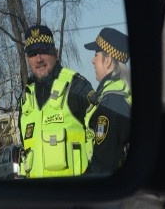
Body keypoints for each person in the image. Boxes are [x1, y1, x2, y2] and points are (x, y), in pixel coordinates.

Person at [18, 25, 94, 178]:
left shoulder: (76, 87)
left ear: (56, 53)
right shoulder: (26, 99)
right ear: (27, 59)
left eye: (44, 51)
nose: (39, 59)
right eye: (33, 53)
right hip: (38, 199)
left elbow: (105, 142)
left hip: (75, 196)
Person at [82, 27, 132, 175]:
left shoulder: (112, 103)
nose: (92, 60)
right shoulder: (120, 93)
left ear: (108, 60)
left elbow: (102, 165)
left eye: (96, 54)